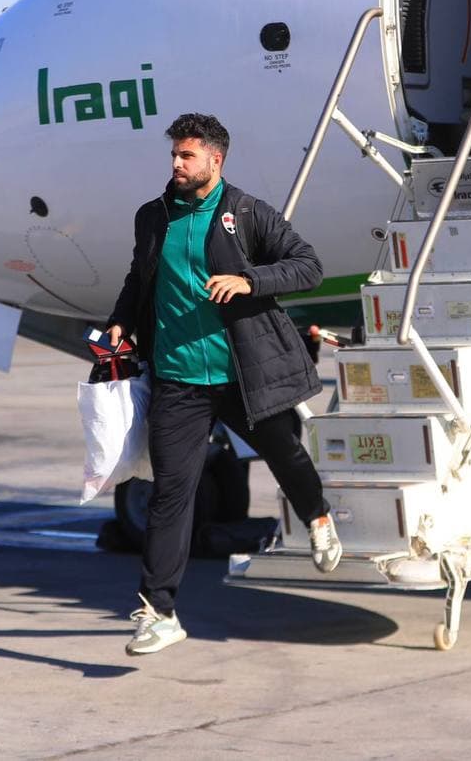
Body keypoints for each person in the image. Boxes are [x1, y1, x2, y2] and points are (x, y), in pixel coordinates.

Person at [106, 112, 341, 656]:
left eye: (186, 155)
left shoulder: (248, 213)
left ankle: (317, 515)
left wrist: (249, 280)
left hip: (242, 376)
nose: (176, 163)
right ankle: (159, 612)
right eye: (174, 154)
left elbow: (308, 266)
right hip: (177, 380)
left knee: (286, 454)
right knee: (170, 494)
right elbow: (139, 278)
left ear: (215, 159)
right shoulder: (153, 216)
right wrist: (121, 320)